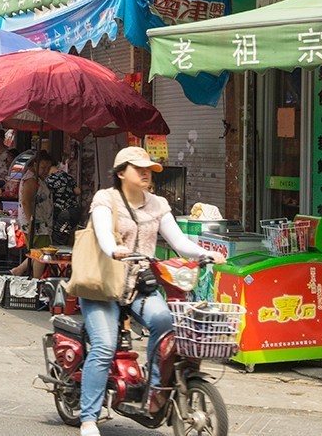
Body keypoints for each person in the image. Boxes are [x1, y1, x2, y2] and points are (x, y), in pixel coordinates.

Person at [77, 147, 224, 436]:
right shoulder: (106, 199)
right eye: (139, 168)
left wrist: (206, 253)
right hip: (103, 286)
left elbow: (179, 241)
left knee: (166, 322)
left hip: (139, 286)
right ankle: (89, 418)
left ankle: (155, 389)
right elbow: (104, 232)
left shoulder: (158, 204)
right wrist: (113, 249)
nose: (146, 173)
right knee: (105, 346)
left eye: (149, 169)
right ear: (121, 173)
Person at [10, 151, 77, 277]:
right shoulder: (30, 180)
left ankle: (19, 270)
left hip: (42, 223)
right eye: (42, 167)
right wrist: (31, 221)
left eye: (48, 167)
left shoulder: (39, 179)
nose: (45, 170)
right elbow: (26, 202)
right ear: (35, 165)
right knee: (41, 253)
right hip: (36, 224)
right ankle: (36, 280)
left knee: (38, 251)